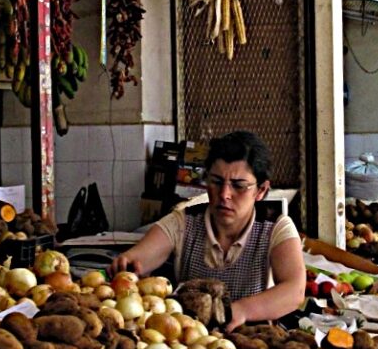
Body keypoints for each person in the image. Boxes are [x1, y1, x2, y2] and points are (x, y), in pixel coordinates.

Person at [108, 131, 306, 331]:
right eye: (216, 182)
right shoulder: (183, 221)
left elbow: (294, 291)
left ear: (261, 190)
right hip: (190, 343)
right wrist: (129, 265)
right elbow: (141, 257)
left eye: (239, 186)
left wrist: (242, 311)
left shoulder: (275, 227)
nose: (225, 194)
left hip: (250, 341)